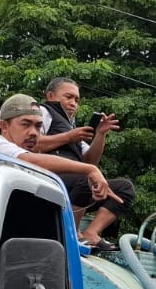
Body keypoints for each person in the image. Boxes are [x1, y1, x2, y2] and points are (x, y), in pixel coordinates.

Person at [0, 94, 124, 248]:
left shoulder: (33, 158)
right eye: (25, 124)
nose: (34, 132)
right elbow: (31, 160)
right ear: (4, 126)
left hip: (23, 241)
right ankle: (73, 235)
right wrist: (90, 170)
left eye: (37, 126)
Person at [34, 77, 134, 250]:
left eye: (77, 100)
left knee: (124, 188)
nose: (73, 103)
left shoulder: (71, 127)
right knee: (87, 176)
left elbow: (90, 161)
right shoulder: (43, 112)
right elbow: (32, 143)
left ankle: (91, 233)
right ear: (51, 96)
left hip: (75, 183)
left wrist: (100, 134)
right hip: (49, 178)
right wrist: (68, 137)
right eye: (68, 97)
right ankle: (73, 233)